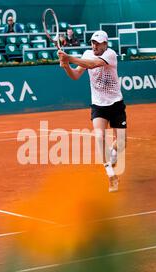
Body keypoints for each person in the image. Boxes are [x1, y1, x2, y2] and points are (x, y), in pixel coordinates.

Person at [58, 31, 126, 192]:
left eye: (98, 43)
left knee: (121, 143)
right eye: (93, 42)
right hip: (98, 105)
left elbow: (92, 64)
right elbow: (75, 75)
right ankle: (111, 175)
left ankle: (114, 152)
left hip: (116, 104)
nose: (94, 45)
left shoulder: (111, 55)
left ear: (105, 44)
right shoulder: (87, 53)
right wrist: (66, 66)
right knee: (99, 137)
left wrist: (69, 58)